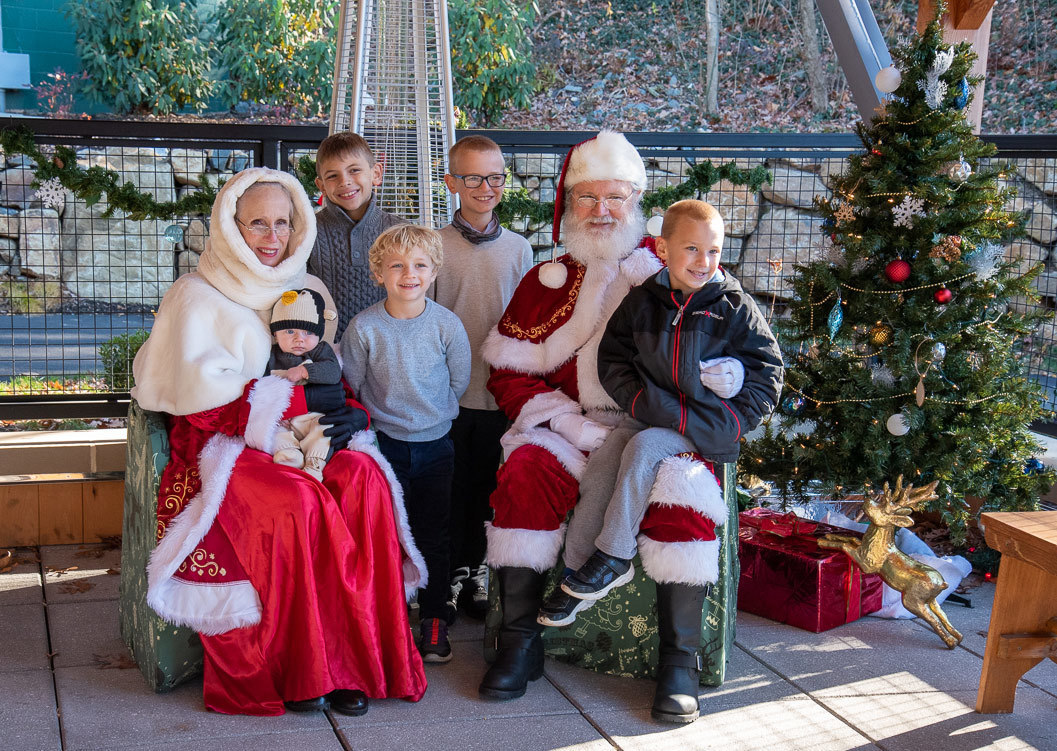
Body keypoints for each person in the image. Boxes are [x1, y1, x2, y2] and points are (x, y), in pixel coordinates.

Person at [131, 167, 428, 717]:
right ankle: (304, 669)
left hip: (303, 433)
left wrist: (346, 415)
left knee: (363, 480)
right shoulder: (194, 295)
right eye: (257, 224)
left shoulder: (308, 289)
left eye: (283, 225)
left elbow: (324, 371)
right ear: (229, 226)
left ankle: (358, 663)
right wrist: (265, 413)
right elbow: (194, 408)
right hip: (228, 444)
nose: (272, 238)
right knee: (299, 501)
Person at [539, 199, 784, 722]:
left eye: (713, 250)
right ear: (664, 249)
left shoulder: (733, 305)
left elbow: (768, 375)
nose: (703, 260)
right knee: (609, 456)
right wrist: (639, 402)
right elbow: (613, 359)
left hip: (700, 427)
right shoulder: (645, 300)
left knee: (646, 448)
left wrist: (733, 412)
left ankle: (614, 556)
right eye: (692, 249)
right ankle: (580, 572)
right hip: (650, 413)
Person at [478, 130, 665, 701]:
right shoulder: (544, 280)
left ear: (637, 200)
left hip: (643, 429)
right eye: (588, 198)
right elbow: (507, 372)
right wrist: (562, 420)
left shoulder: (667, 275)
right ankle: (518, 642)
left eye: (616, 197)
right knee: (525, 470)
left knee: (680, 485)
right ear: (569, 204)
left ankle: (678, 658)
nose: (602, 211)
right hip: (564, 427)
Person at [341, 224, 472, 664]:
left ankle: (434, 618)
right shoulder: (363, 328)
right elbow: (355, 384)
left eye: (418, 265)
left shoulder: (446, 325)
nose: (408, 273)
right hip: (384, 447)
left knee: (433, 533)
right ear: (379, 274)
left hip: (436, 446)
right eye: (396, 265)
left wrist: (434, 417)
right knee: (387, 533)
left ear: (433, 271)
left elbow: (459, 381)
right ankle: (389, 617)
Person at [433, 135, 533, 623]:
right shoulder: (433, 247)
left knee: (488, 486)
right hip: (449, 395)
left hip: (500, 395)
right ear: (452, 182)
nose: (485, 186)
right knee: (451, 489)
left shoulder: (519, 248)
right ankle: (448, 574)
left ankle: (478, 571)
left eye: (495, 176)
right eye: (473, 177)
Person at [308, 131, 407, 336]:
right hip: (325, 352)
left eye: (354, 170)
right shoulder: (307, 232)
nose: (345, 181)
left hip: (388, 349)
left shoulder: (402, 232)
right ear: (321, 186)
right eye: (333, 176)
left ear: (376, 174)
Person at [267, 288, 342, 481]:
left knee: (325, 429)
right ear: (276, 333)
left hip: (313, 416)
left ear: (318, 335)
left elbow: (334, 372)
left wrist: (305, 371)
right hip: (283, 418)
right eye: (290, 331)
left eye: (308, 332)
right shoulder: (271, 355)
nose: (299, 339)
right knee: (273, 432)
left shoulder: (320, 351)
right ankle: (289, 458)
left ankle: (314, 465)